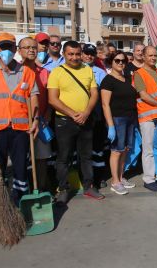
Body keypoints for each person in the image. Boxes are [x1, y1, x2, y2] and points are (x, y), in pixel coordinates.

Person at [0, 33, 39, 214]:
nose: (6, 50)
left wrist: (35, 120)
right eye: (2, 47)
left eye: (10, 46)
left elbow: (33, 97)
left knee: (20, 170)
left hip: (21, 129)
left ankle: (21, 205)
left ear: (15, 49)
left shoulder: (26, 71)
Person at [47, 40, 104, 204]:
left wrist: (86, 113)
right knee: (63, 157)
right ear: (64, 54)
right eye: (70, 54)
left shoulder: (87, 70)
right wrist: (73, 114)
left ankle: (88, 186)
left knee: (86, 156)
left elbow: (94, 94)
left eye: (77, 54)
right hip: (64, 121)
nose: (74, 57)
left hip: (86, 120)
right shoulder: (56, 72)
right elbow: (52, 99)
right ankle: (63, 189)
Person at [133, 46, 157, 191]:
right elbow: (143, 95)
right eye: (150, 55)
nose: (153, 58)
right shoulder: (139, 74)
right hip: (147, 117)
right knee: (148, 149)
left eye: (155, 55)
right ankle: (149, 179)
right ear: (143, 56)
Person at [100, 51, 138, 195]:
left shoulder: (126, 78)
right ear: (111, 62)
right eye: (117, 60)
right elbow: (105, 104)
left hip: (129, 118)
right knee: (116, 151)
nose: (121, 63)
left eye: (123, 61)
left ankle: (121, 178)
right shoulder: (108, 80)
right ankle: (115, 182)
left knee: (125, 150)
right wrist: (110, 125)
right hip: (117, 119)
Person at [19, 37, 53, 192]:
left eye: (34, 47)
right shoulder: (15, 71)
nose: (31, 50)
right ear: (19, 51)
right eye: (27, 47)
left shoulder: (45, 73)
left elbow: (52, 98)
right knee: (20, 159)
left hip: (41, 121)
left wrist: (46, 116)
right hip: (20, 122)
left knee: (41, 159)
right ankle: (22, 190)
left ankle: (41, 189)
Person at [82, 43, 109, 189]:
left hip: (97, 116)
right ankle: (85, 178)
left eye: (91, 54)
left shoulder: (100, 72)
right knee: (83, 149)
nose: (89, 56)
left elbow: (105, 98)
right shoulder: (75, 70)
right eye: (86, 53)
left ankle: (99, 178)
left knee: (98, 148)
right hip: (80, 116)